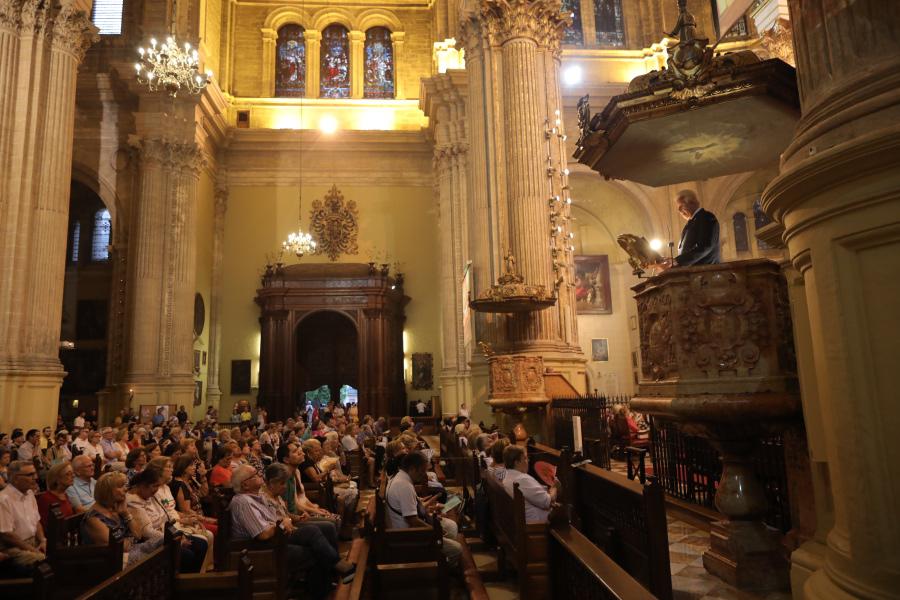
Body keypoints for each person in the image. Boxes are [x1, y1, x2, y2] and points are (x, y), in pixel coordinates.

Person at [229, 465, 340, 598]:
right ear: (245, 485)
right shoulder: (243, 502)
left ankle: (326, 583)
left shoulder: (256, 497)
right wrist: (282, 524)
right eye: (255, 475)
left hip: (275, 542)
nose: (260, 475)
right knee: (314, 544)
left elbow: (274, 519)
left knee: (315, 535)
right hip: (261, 551)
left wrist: (285, 521)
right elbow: (263, 534)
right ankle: (333, 570)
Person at [385, 451, 461, 567]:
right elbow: (413, 521)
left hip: (409, 529)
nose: (424, 474)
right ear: (412, 468)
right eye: (422, 470)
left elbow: (412, 508)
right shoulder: (403, 485)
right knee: (456, 549)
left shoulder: (400, 477)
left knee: (451, 527)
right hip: (407, 536)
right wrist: (434, 531)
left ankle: (438, 555)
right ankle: (435, 571)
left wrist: (429, 509)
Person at [126, 468, 206, 572]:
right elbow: (147, 532)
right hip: (152, 541)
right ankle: (178, 583)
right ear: (142, 485)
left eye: (158, 486)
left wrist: (178, 535)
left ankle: (191, 582)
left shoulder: (149, 495)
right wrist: (175, 539)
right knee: (187, 554)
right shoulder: (134, 502)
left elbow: (166, 518)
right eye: (154, 486)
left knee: (201, 544)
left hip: (165, 534)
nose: (156, 490)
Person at [81, 472, 162, 566]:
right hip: (111, 562)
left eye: (125, 485)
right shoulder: (93, 519)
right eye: (120, 486)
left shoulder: (117, 507)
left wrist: (125, 513)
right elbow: (116, 548)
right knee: (160, 556)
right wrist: (130, 541)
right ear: (107, 490)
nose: (126, 489)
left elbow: (138, 535)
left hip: (131, 552)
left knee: (163, 540)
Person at [0, 461, 46, 575]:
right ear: (16, 478)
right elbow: (7, 535)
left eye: (35, 473)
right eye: (30, 475)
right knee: (43, 563)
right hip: (13, 548)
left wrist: (42, 540)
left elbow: (37, 521)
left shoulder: (29, 493)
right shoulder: (4, 499)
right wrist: (32, 550)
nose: (35, 477)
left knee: (59, 556)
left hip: (32, 542)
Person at [658, 189, 720, 269]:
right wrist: (673, 261)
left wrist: (678, 261)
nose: (679, 210)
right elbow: (687, 251)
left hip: (705, 273)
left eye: (681, 206)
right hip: (692, 273)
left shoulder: (706, 217)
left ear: (692, 202)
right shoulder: (691, 222)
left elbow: (705, 246)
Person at [501, 445, 557, 523]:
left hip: (520, 520)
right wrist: (555, 486)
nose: (528, 460)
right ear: (517, 462)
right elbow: (547, 502)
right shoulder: (522, 479)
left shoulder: (508, 475)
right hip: (536, 523)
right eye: (525, 458)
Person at [37, 461, 75, 529]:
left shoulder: (64, 494)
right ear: (57, 479)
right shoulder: (46, 499)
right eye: (68, 474)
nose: (73, 476)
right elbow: (45, 526)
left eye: (72, 473)